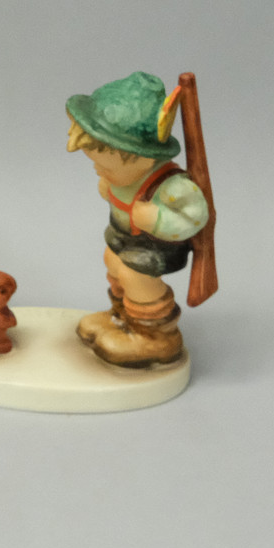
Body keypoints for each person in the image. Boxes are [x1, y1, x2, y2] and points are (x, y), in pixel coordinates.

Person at [66, 71, 210, 367]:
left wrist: (157, 219)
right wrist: (109, 184)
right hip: (122, 239)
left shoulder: (171, 186)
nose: (99, 171)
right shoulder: (126, 176)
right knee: (113, 262)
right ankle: (122, 317)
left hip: (155, 250)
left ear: (143, 158)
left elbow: (197, 216)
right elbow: (117, 189)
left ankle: (155, 335)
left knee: (135, 276)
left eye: (106, 167)